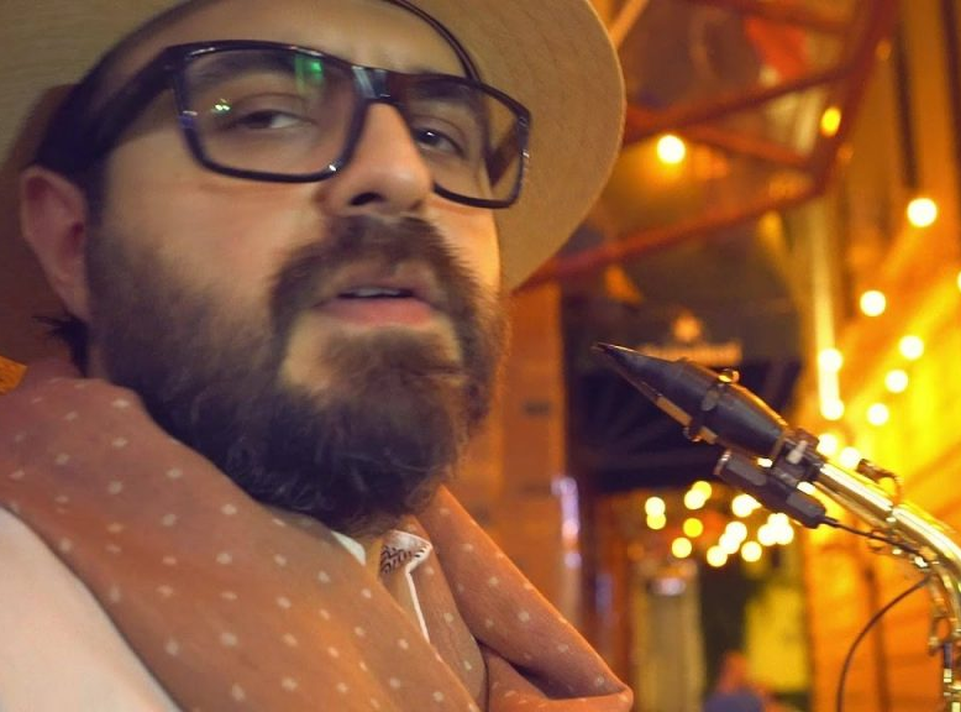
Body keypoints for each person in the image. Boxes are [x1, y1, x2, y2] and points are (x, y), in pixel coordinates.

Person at [0, 0, 627, 709]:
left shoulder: (449, 617)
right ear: (75, 242)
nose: (403, 174)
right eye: (264, 117)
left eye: (438, 136)